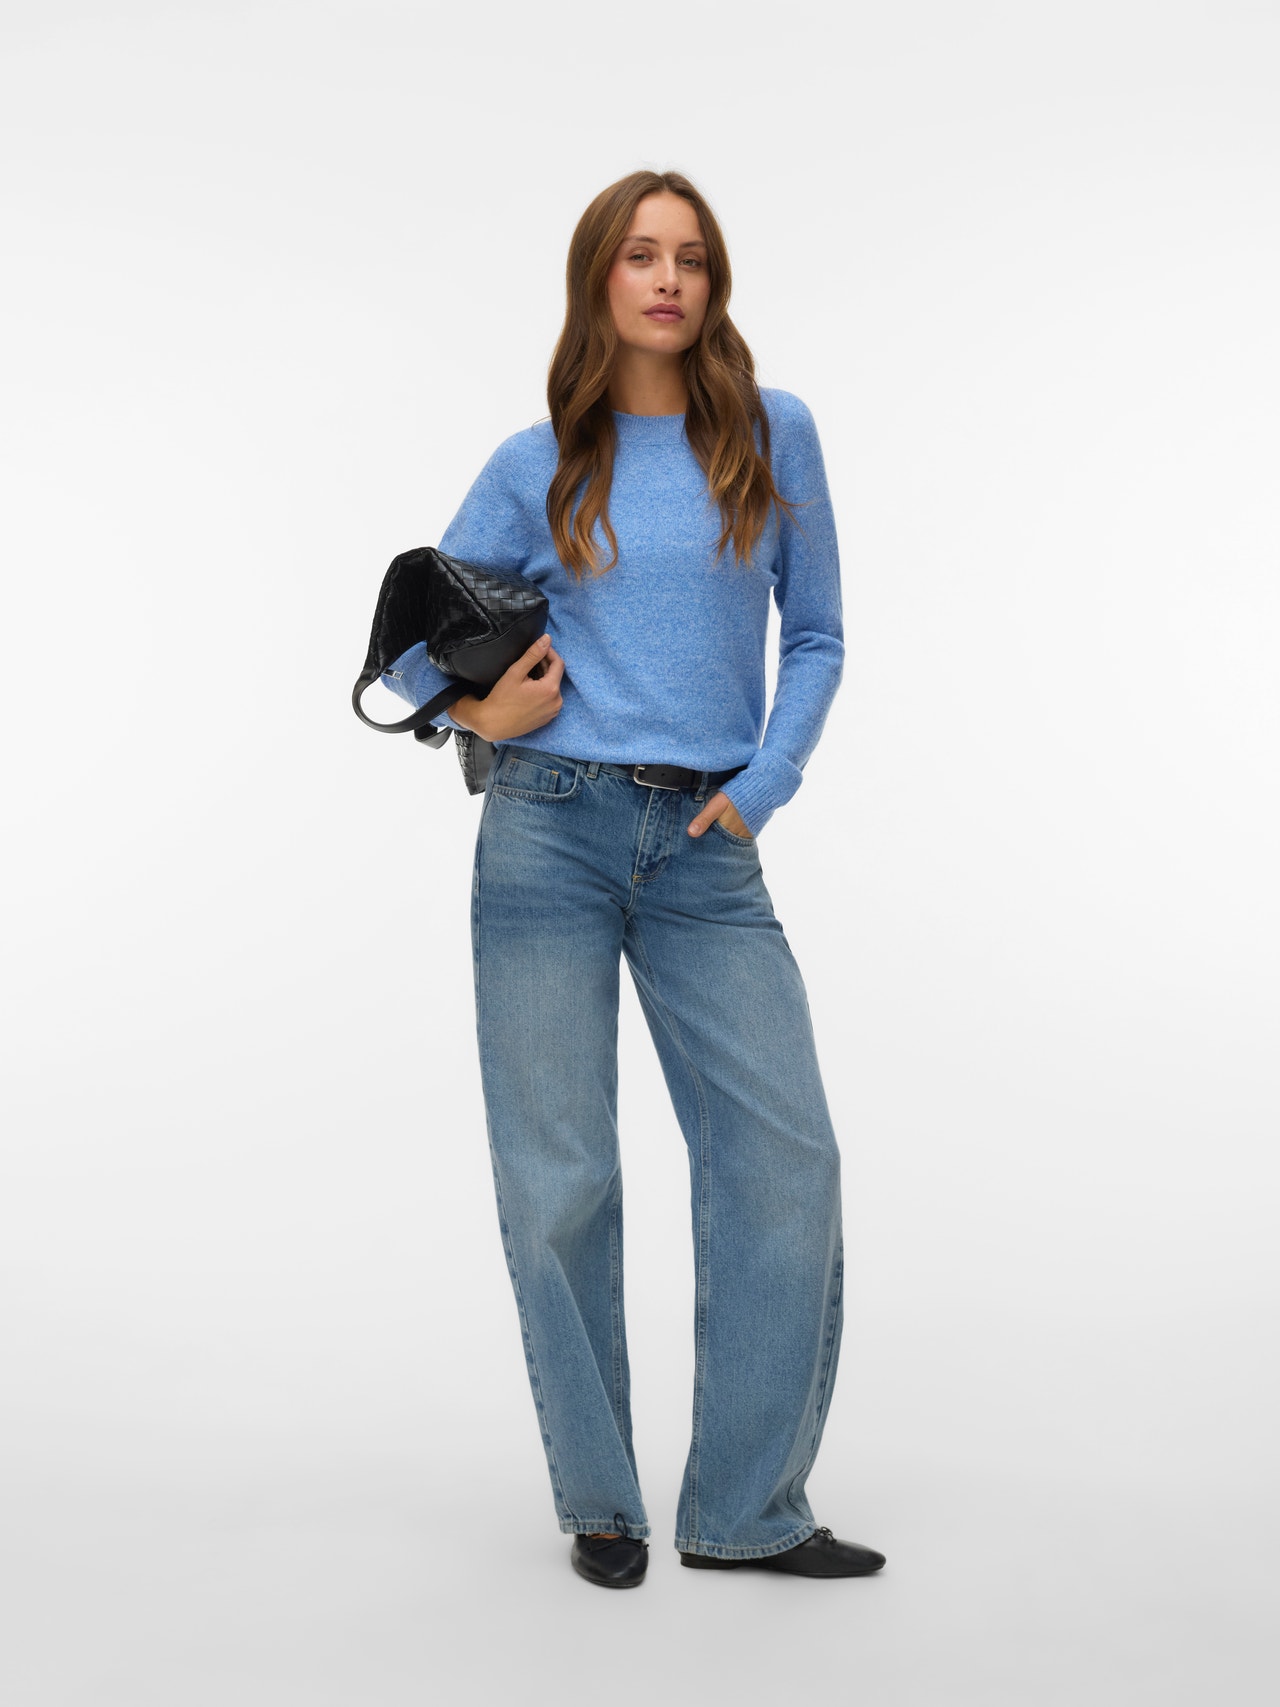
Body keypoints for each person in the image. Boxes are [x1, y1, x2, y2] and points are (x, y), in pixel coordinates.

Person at [382, 169, 886, 1589]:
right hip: (545, 833)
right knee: (562, 1179)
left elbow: (819, 634)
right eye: (641, 256)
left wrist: (765, 786)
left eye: (692, 259)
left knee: (787, 1156)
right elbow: (412, 648)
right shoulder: (535, 459)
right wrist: (479, 714)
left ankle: (747, 1510)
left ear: (714, 286)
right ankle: (601, 1502)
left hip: (707, 846)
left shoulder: (773, 436)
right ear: (597, 277)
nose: (668, 280)